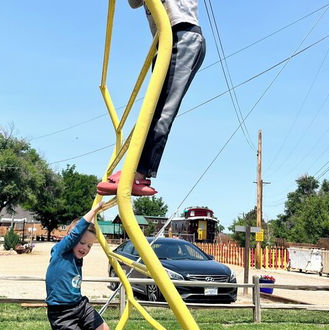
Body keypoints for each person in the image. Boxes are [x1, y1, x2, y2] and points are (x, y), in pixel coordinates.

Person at [97, 0, 206, 196]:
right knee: (152, 110)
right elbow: (134, 3)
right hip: (164, 40)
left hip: (183, 33)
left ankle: (138, 173)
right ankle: (135, 170)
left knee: (163, 110)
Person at [45, 202, 109, 330]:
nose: (85, 248)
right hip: (61, 311)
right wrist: (94, 210)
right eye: (82, 242)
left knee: (103, 328)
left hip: (80, 305)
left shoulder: (77, 258)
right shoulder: (60, 252)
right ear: (71, 239)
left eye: (89, 246)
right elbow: (77, 232)